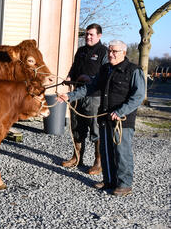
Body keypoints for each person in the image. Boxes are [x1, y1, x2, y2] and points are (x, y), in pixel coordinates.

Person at [58, 40, 145, 196]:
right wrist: (70, 96)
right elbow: (90, 87)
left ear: (123, 53)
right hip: (105, 118)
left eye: (114, 52)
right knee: (106, 151)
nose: (110, 54)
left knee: (121, 152)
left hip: (122, 122)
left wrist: (121, 111)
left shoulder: (133, 71)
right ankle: (109, 180)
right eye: (110, 51)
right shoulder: (105, 69)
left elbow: (138, 96)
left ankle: (124, 185)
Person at [62, 23, 108, 175]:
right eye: (87, 34)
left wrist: (90, 78)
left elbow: (105, 75)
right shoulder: (81, 51)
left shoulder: (104, 52)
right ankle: (77, 158)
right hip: (77, 94)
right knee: (76, 127)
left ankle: (98, 162)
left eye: (91, 35)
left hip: (94, 97)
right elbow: (74, 67)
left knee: (95, 129)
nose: (88, 37)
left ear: (99, 36)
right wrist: (70, 76)